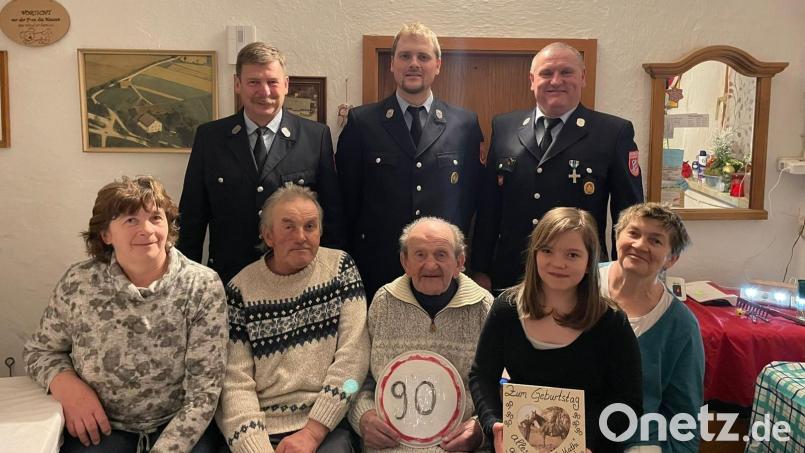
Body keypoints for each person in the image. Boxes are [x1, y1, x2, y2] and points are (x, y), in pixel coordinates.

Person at [23, 176, 227, 452]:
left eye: (156, 217)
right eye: (130, 220)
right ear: (106, 234)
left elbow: (205, 391)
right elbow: (39, 351)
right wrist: (66, 386)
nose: (147, 230)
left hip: (179, 427)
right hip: (102, 429)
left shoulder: (202, 285)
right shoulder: (79, 282)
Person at [472, 42, 644, 292]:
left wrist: (624, 274)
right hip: (511, 275)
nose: (556, 81)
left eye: (566, 72)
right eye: (546, 73)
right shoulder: (504, 126)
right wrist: (481, 268)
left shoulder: (612, 133)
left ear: (582, 77)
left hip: (578, 275)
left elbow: (628, 214)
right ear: (532, 80)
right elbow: (489, 207)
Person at [468, 207, 643, 453]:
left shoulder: (612, 323)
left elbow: (628, 403)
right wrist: (493, 424)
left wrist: (590, 443)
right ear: (534, 254)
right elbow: (482, 376)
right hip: (519, 444)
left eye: (572, 255)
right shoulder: (506, 309)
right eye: (547, 251)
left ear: (589, 262)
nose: (558, 263)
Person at [216, 185, 369, 453]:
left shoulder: (341, 268)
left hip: (325, 425)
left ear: (320, 231)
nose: (301, 236)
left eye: (310, 226)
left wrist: (313, 432)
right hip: (258, 429)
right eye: (288, 227)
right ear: (268, 235)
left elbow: (353, 365)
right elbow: (233, 384)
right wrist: (255, 447)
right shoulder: (240, 289)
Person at [336, 22, 484, 300]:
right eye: (405, 56)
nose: (413, 64)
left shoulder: (464, 124)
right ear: (392, 64)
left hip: (442, 268)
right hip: (378, 267)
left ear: (438, 65)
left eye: (423, 57)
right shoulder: (362, 123)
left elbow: (472, 200)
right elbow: (345, 201)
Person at [178, 42, 345, 285]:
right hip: (229, 278)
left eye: (272, 82)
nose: (264, 91)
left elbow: (331, 217)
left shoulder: (315, 137)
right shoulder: (210, 138)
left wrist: (329, 278)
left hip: (296, 279)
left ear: (286, 84)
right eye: (254, 82)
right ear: (238, 84)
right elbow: (191, 218)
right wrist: (184, 282)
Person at [348, 217, 493, 453]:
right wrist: (363, 417)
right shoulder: (383, 304)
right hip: (390, 448)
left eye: (441, 254)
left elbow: (502, 386)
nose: (430, 265)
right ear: (404, 261)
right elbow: (353, 379)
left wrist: (479, 430)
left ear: (460, 262)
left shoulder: (484, 308)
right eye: (419, 255)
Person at [599, 203, 704, 453]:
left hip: (636, 441)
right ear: (617, 237)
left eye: (655, 241)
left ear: (672, 259)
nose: (640, 245)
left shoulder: (681, 326)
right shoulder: (578, 285)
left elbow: (685, 416)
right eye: (633, 233)